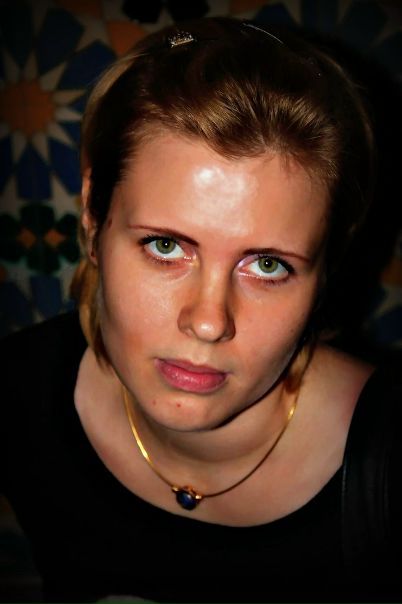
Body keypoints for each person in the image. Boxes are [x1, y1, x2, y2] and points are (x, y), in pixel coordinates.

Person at [1, 16, 400, 604]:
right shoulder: (16, 394)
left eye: (268, 265)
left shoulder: (386, 460)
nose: (209, 322)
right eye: (166, 246)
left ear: (323, 273)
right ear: (93, 217)